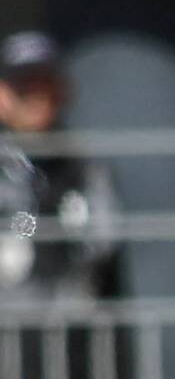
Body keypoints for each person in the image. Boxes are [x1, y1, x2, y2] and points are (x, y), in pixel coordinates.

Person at [0, 30, 117, 303]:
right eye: (25, 90)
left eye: (45, 87)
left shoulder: (82, 162)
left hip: (70, 317)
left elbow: (104, 236)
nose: (38, 101)